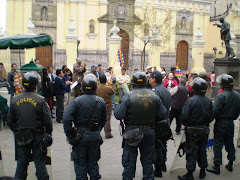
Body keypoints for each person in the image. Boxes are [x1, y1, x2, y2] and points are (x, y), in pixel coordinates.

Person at [114, 71, 167, 180]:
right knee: (147, 160)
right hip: (149, 131)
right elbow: (162, 114)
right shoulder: (154, 96)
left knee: (129, 160)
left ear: (132, 84)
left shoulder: (128, 96)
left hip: (131, 132)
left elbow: (118, 115)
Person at [7, 72, 53, 180]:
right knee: (40, 163)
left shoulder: (14, 99)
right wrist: (47, 133)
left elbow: (10, 120)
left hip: (21, 135)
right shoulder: (40, 100)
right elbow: (48, 121)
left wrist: (17, 131)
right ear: (36, 85)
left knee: (21, 164)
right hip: (37, 135)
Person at [63, 74, 106, 180]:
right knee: (93, 163)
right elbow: (103, 120)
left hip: (80, 136)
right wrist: (96, 130)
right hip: (94, 135)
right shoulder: (101, 101)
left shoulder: (76, 101)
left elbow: (67, 119)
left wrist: (71, 133)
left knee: (80, 163)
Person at [178, 78, 212, 180]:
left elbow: (184, 116)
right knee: (202, 150)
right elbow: (212, 115)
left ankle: (190, 173)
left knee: (191, 151)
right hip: (204, 129)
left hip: (192, 130)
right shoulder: (209, 101)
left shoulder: (191, 101)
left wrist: (187, 124)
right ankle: (202, 171)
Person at [207, 75, 240, 175]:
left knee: (218, 144)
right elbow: (238, 111)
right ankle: (230, 163)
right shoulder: (237, 95)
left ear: (222, 85)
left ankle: (217, 166)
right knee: (230, 142)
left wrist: (208, 121)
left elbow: (215, 110)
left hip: (221, 123)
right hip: (230, 123)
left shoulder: (221, 96)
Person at [149, 70, 171, 177]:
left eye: (150, 77)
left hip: (157, 122)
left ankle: (157, 169)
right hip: (166, 121)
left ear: (154, 79)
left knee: (156, 145)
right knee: (163, 144)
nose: (148, 79)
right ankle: (163, 164)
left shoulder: (154, 91)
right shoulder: (166, 90)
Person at [96, 74, 114, 139]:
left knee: (99, 119)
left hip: (99, 105)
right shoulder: (108, 88)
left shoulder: (97, 87)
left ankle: (97, 132)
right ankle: (108, 133)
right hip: (107, 105)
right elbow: (112, 92)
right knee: (107, 119)